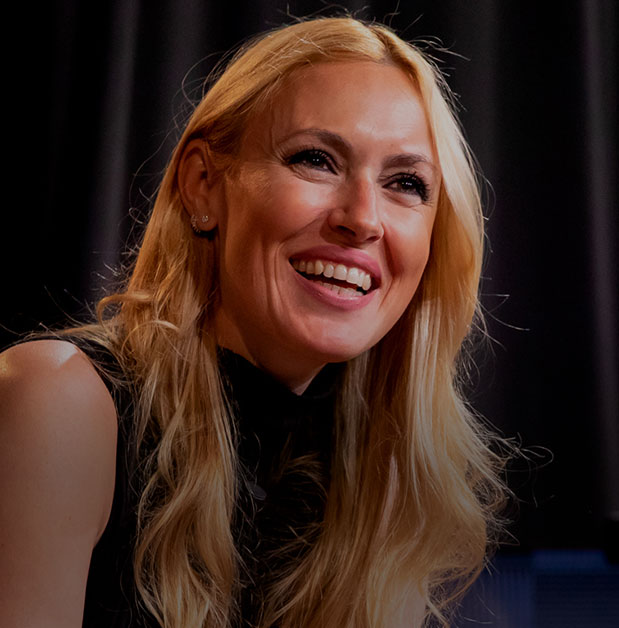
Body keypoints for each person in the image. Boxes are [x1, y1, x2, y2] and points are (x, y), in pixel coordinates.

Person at [0, 16, 509, 628]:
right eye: (316, 160)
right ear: (203, 184)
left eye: (406, 183)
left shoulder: (385, 477)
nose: (363, 218)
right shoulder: (58, 401)